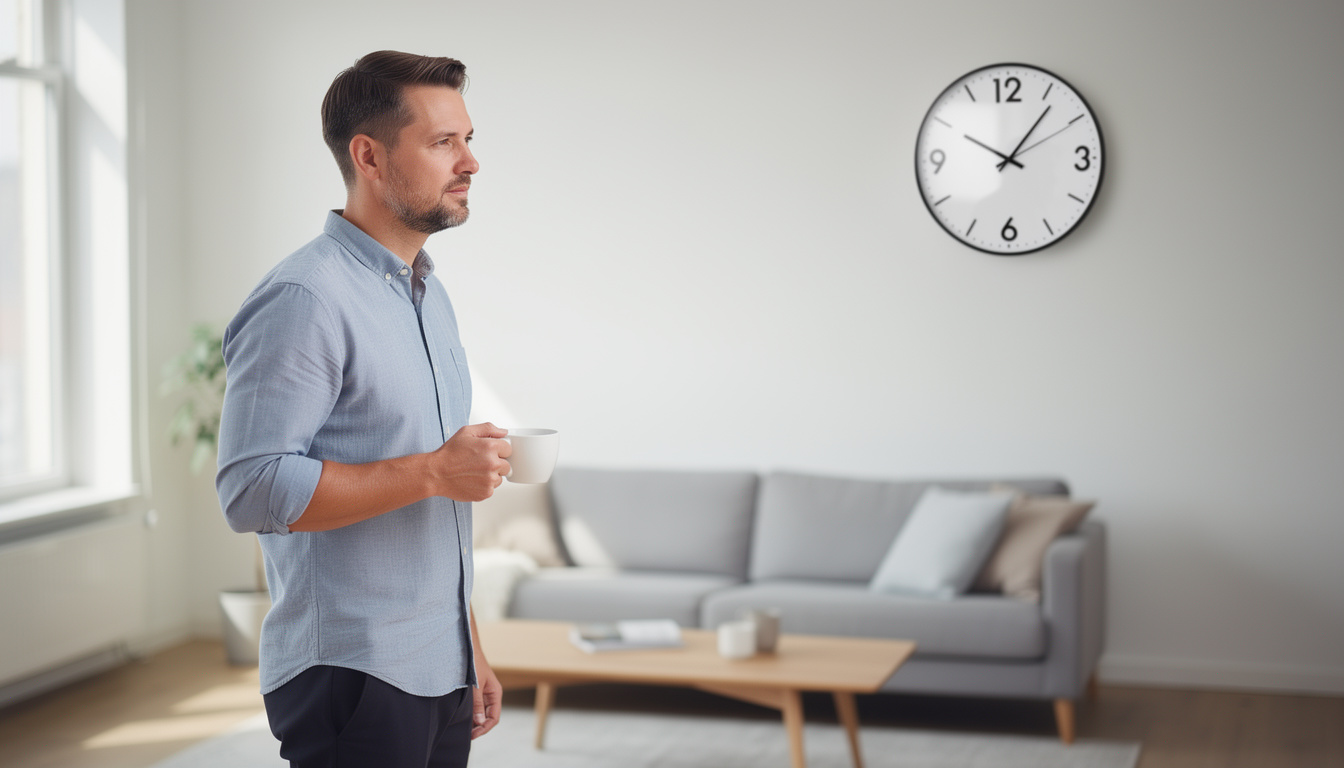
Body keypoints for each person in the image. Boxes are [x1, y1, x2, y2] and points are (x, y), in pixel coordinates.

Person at [215, 51, 509, 768]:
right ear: (369, 157)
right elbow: (251, 489)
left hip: (436, 662)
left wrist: (468, 644)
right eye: (444, 142)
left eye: (468, 140)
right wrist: (435, 472)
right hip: (354, 670)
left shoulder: (427, 294)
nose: (470, 162)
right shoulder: (304, 299)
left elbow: (435, 504)